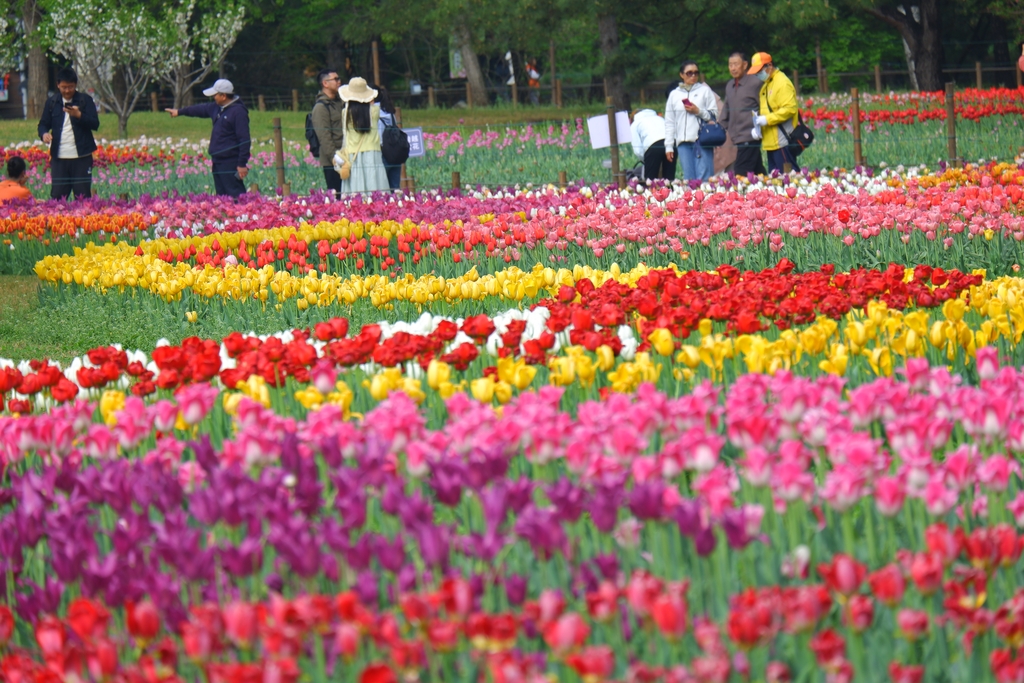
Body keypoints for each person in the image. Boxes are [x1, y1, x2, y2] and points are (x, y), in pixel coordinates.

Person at [166, 79, 251, 197]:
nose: (213, 98)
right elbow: (200, 109)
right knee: (222, 196)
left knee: (235, 194)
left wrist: (242, 164)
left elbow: (244, 140)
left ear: (223, 96)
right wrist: (179, 112)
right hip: (217, 160)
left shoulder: (238, 112)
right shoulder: (217, 107)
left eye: (215, 95)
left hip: (230, 161)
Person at [37, 67, 99, 200]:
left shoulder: (85, 100)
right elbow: (43, 124)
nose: (67, 90)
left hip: (82, 156)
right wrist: (44, 134)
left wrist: (79, 115)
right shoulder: (52, 102)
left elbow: (95, 124)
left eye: (70, 87)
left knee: (82, 197)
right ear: (58, 85)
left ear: (75, 85)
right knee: (57, 197)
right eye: (64, 87)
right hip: (59, 157)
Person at [664, 60, 718, 182]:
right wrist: (669, 146)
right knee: (689, 179)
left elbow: (714, 115)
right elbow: (669, 122)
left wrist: (698, 111)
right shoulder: (674, 94)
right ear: (681, 75)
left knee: (704, 178)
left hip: (702, 140)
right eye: (689, 73)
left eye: (696, 73)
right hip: (683, 142)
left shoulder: (705, 91)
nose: (693, 76)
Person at [747, 52, 799, 174]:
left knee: (788, 178)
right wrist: (758, 129)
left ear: (769, 66)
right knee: (776, 181)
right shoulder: (767, 84)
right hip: (771, 143)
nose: (757, 74)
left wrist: (767, 119)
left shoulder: (782, 82)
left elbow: (790, 109)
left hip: (783, 142)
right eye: (756, 72)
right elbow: (766, 112)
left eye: (759, 71)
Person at [336, 77, 389, 194]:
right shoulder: (375, 111)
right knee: (374, 184)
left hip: (353, 154)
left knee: (355, 187)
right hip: (373, 153)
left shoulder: (345, 113)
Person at [720, 51, 766, 177]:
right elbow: (726, 110)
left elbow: (764, 107)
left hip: (750, 137)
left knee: (740, 174)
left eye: (736, 64)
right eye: (730, 65)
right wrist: (719, 130)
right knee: (758, 173)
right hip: (737, 139)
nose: (733, 68)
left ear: (745, 65)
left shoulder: (755, 83)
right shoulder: (730, 85)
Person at [312, 69, 346, 197]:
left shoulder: (340, 103)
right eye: (335, 79)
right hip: (333, 161)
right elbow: (324, 136)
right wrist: (334, 157)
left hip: (346, 156)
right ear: (325, 83)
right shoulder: (321, 107)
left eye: (339, 79)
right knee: (337, 196)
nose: (339, 82)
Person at [629, 109, 674, 182]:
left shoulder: (635, 124)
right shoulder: (660, 118)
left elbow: (637, 149)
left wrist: (646, 159)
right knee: (669, 179)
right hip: (671, 143)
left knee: (650, 180)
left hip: (653, 145)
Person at [373, 84, 402, 191]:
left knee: (383, 190)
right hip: (395, 154)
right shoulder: (390, 113)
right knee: (395, 189)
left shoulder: (374, 113)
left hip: (383, 154)